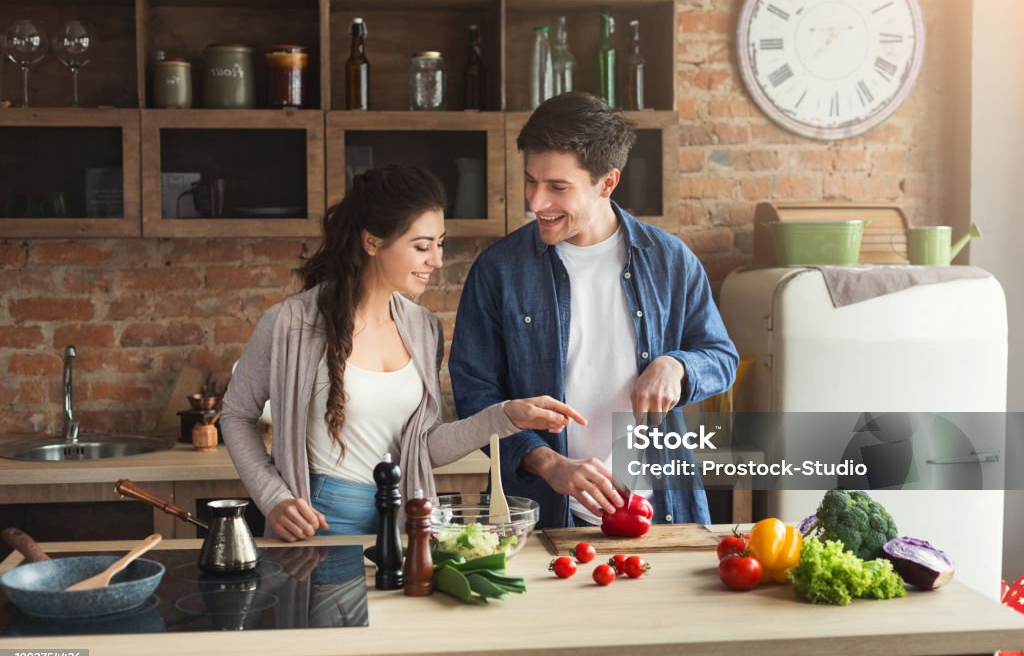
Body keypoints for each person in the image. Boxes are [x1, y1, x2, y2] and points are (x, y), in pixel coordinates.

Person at [221, 164, 584, 541]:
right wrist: (273, 497)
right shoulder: (290, 323)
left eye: (440, 244)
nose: (437, 260)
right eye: (422, 246)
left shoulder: (423, 328)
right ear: (372, 242)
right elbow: (236, 414)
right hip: (321, 519)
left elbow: (423, 447)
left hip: (406, 519)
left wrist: (505, 416)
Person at [449, 92, 739, 529]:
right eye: (531, 181)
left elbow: (721, 358)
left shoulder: (670, 261)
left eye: (558, 188)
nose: (536, 202)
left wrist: (676, 366)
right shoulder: (499, 271)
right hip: (544, 516)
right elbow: (475, 395)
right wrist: (548, 463)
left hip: (659, 512)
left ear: (607, 183)